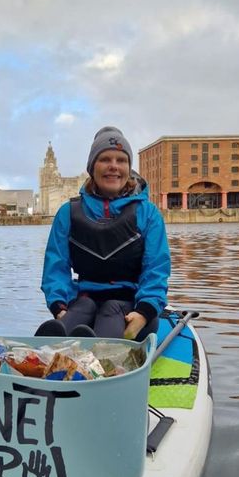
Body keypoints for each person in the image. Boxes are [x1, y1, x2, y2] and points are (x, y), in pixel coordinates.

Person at [38, 126, 170, 340]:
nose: (113, 167)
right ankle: (53, 345)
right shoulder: (67, 213)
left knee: (110, 311)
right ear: (92, 167)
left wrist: (144, 312)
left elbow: (156, 269)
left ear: (129, 167)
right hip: (85, 299)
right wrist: (59, 307)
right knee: (82, 309)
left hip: (130, 306)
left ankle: (96, 355)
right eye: (105, 159)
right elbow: (56, 266)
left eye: (121, 160)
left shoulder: (149, 215)